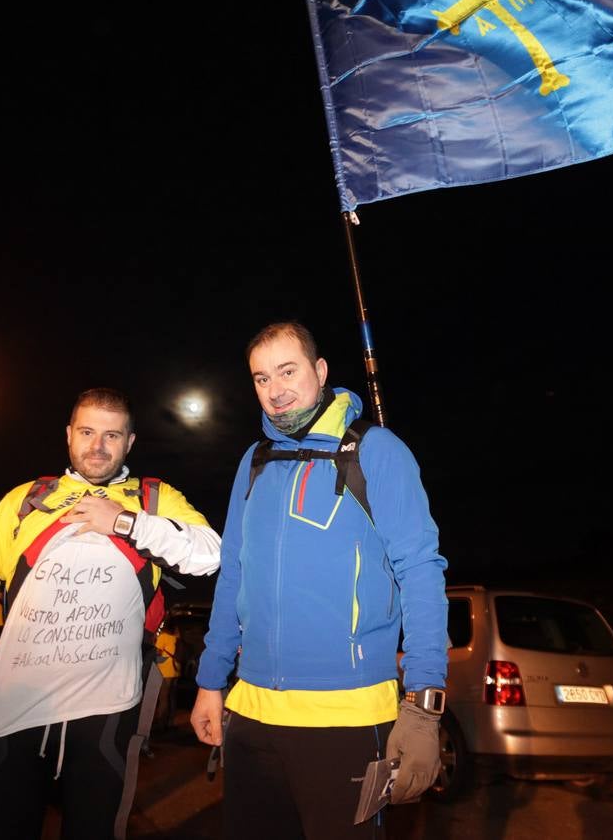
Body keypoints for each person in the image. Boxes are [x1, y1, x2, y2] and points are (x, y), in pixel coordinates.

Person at [0, 387, 222, 839]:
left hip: (106, 714)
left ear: (130, 443)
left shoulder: (153, 499)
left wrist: (123, 521)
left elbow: (210, 554)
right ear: (68, 435)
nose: (98, 446)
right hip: (14, 709)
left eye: (111, 435)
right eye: (87, 432)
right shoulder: (27, 499)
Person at [190, 322, 449, 839]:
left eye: (288, 371)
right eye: (261, 378)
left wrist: (424, 707)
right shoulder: (255, 460)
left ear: (321, 371)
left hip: (349, 718)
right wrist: (209, 681)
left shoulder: (376, 451)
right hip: (252, 716)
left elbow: (420, 572)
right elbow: (234, 572)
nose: (275, 390)